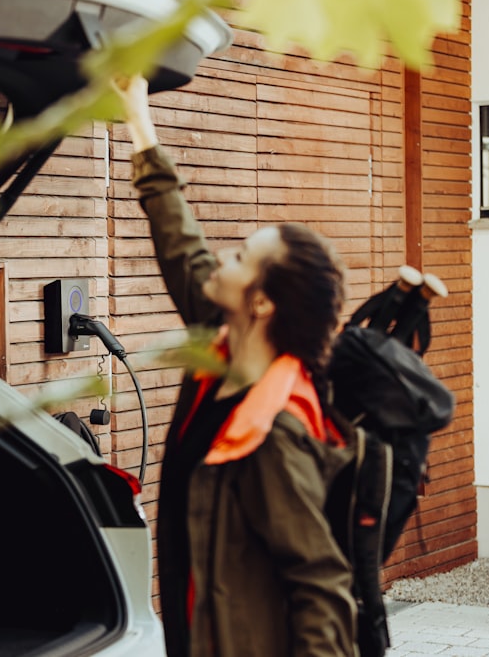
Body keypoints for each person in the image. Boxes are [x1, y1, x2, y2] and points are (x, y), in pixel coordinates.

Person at [114, 75, 359, 657]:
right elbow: (182, 244)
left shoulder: (272, 433)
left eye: (242, 256)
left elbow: (321, 586)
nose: (223, 256)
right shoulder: (221, 350)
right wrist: (137, 118)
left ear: (262, 303)